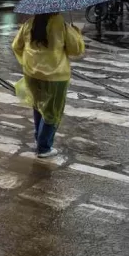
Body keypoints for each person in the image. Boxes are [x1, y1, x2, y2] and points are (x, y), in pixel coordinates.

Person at [11, 13, 85, 158]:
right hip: (55, 76)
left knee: (38, 106)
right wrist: (76, 33)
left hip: (32, 74)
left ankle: (39, 137)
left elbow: (16, 46)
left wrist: (28, 61)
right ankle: (44, 147)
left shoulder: (29, 24)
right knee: (52, 111)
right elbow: (76, 50)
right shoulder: (61, 25)